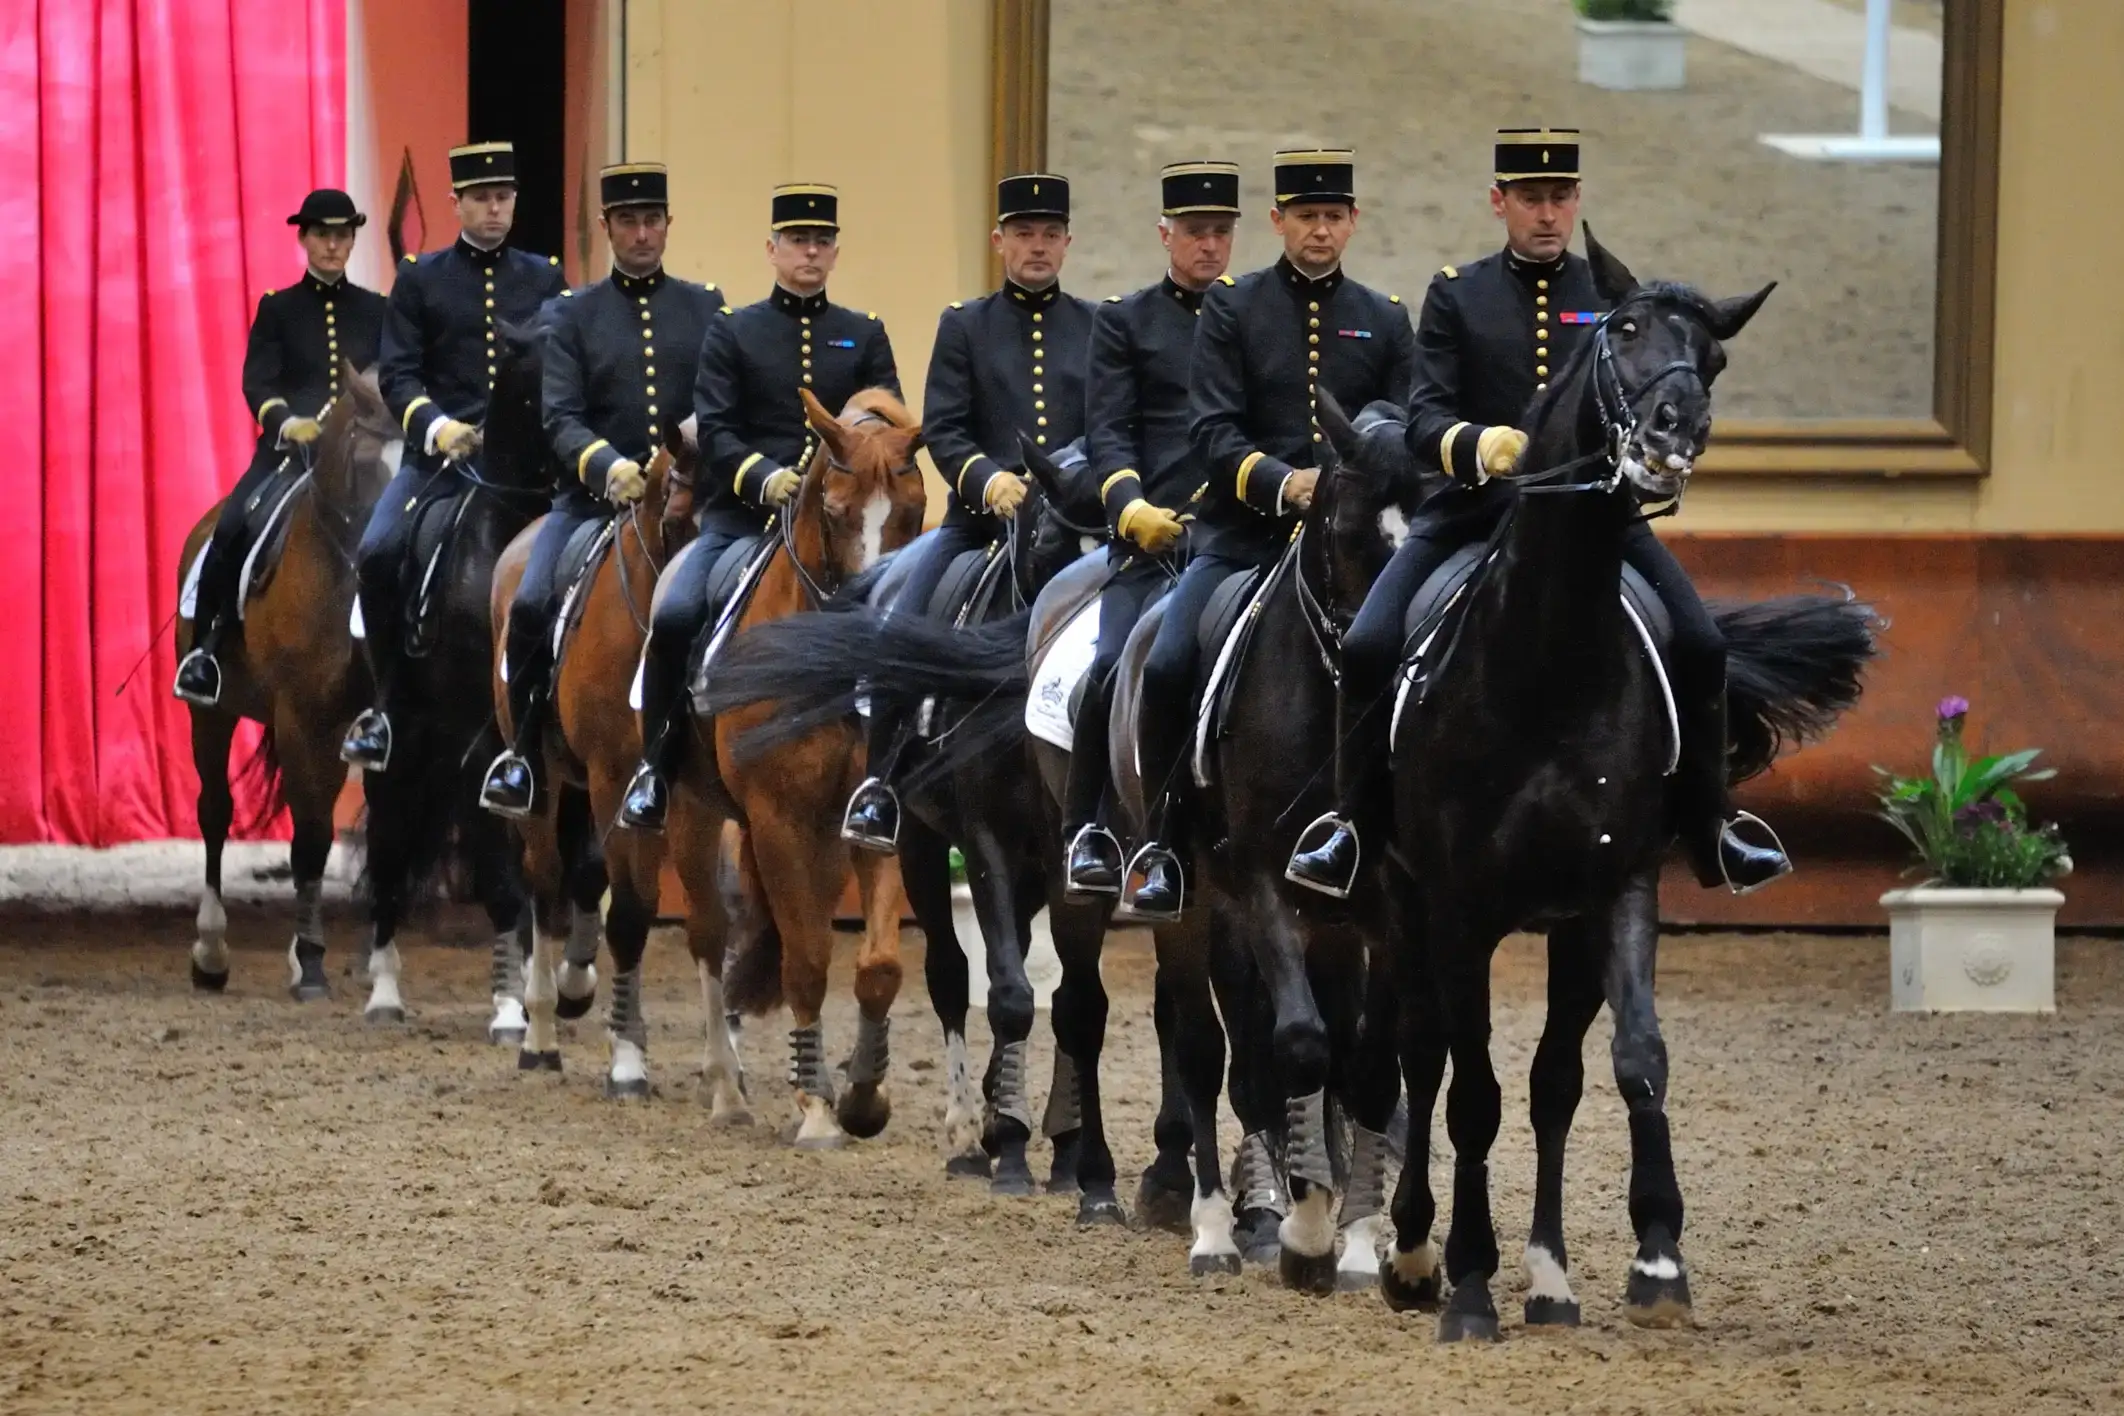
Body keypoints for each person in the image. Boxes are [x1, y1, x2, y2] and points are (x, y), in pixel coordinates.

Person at [1285, 127, 1790, 898]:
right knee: (1369, 642)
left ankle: (1711, 822)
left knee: (1699, 640)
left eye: (1559, 198)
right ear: (1501, 203)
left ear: (1576, 201)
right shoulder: (1457, 292)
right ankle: (1351, 828)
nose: (1546, 214)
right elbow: (1422, 418)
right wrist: (1476, 443)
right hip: (1468, 513)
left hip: (1592, 523)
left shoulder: (1618, 304)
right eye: (1530, 199)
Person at [1130, 148, 1415, 917]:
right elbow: (1212, 429)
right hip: (1242, 536)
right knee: (1167, 662)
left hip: (1359, 542)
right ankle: (1163, 841)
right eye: (1304, 217)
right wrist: (1282, 483)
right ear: (1277, 222)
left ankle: (1410, 827)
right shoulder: (1232, 307)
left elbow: (1403, 428)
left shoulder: (1384, 318)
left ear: (1352, 222)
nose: (1319, 231)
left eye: (1332, 217)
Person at [613, 182, 899, 831]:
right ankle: (655, 770)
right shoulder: (734, 330)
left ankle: (886, 781)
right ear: (772, 249)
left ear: (834, 252)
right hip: (741, 523)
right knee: (678, 612)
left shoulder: (863, 334)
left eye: (821, 241)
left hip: (840, 532)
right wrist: (761, 477)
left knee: (899, 626)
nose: (810, 252)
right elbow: (715, 428)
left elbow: (883, 422)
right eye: (797, 240)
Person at [839, 172, 1096, 854]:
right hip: (976, 526)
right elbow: (946, 430)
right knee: (904, 626)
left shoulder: (1098, 325)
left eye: (1048, 235)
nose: (1036, 247)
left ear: (1067, 243)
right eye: (1023, 235)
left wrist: (1069, 485)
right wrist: (988, 483)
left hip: (1072, 526)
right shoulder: (965, 325)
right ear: (999, 242)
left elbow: (1107, 427)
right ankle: (881, 787)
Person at [477, 162, 721, 817]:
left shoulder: (706, 308)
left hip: (687, 505)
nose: (641, 233)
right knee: (528, 603)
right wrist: (607, 466)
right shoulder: (573, 314)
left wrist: (691, 450)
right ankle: (523, 758)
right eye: (628, 222)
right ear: (608, 228)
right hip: (588, 502)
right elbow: (559, 415)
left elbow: (718, 403)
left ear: (668, 225)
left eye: (652, 220)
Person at [339, 140, 568, 771]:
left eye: (503, 197)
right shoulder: (420, 277)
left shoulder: (545, 278)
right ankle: (384, 709)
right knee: (380, 551)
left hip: (526, 467)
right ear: (458, 204)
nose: (494, 209)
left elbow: (563, 369)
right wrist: (436, 427)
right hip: (439, 461)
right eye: (481, 199)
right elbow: (400, 376)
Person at [1059, 161, 1240, 900]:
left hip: (1234, 531)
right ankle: (1093, 826)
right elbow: (1108, 432)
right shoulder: (1125, 320)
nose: (1209, 246)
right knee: (1111, 666)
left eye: (1221, 232)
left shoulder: (1251, 314)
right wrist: (1129, 505)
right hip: (1151, 538)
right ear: (1166, 234)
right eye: (1195, 233)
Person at [174, 189, 387, 707]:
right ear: (304, 239)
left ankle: (396, 674)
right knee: (230, 528)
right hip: (287, 455)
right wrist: (287, 422)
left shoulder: (377, 310)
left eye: (342, 235)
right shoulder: (279, 308)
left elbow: (390, 378)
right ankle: (205, 650)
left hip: (357, 457)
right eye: (323, 235)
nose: (333, 246)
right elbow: (258, 382)